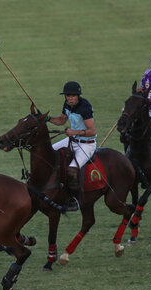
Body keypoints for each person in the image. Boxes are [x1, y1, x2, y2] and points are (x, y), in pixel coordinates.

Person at [47, 81, 97, 211]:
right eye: (68, 96)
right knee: (49, 152)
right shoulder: (67, 104)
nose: (70, 98)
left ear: (78, 96)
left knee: (72, 169)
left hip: (87, 145)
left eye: (73, 96)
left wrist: (73, 132)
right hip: (73, 140)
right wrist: (46, 118)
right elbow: (61, 120)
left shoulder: (85, 107)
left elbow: (92, 131)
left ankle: (75, 200)